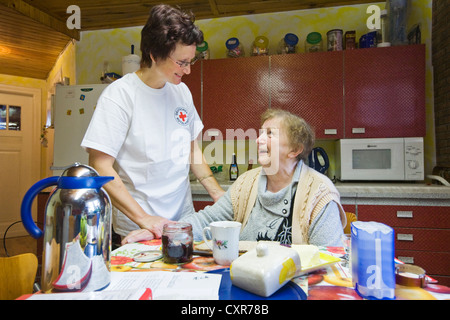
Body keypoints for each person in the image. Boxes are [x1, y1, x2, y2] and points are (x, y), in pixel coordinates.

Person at [81, 4, 224, 239]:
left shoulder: (181, 92)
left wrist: (217, 192)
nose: (188, 70)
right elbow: (100, 166)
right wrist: (144, 219)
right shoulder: (120, 95)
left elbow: (191, 148)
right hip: (140, 227)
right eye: (181, 62)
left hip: (182, 220)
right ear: (154, 54)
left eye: (191, 61)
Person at [122, 109, 347, 246]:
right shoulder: (246, 183)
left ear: (294, 150)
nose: (258, 140)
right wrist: (161, 231)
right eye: (261, 133)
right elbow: (205, 221)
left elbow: (330, 257)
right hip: (245, 282)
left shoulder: (318, 193)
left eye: (270, 134)